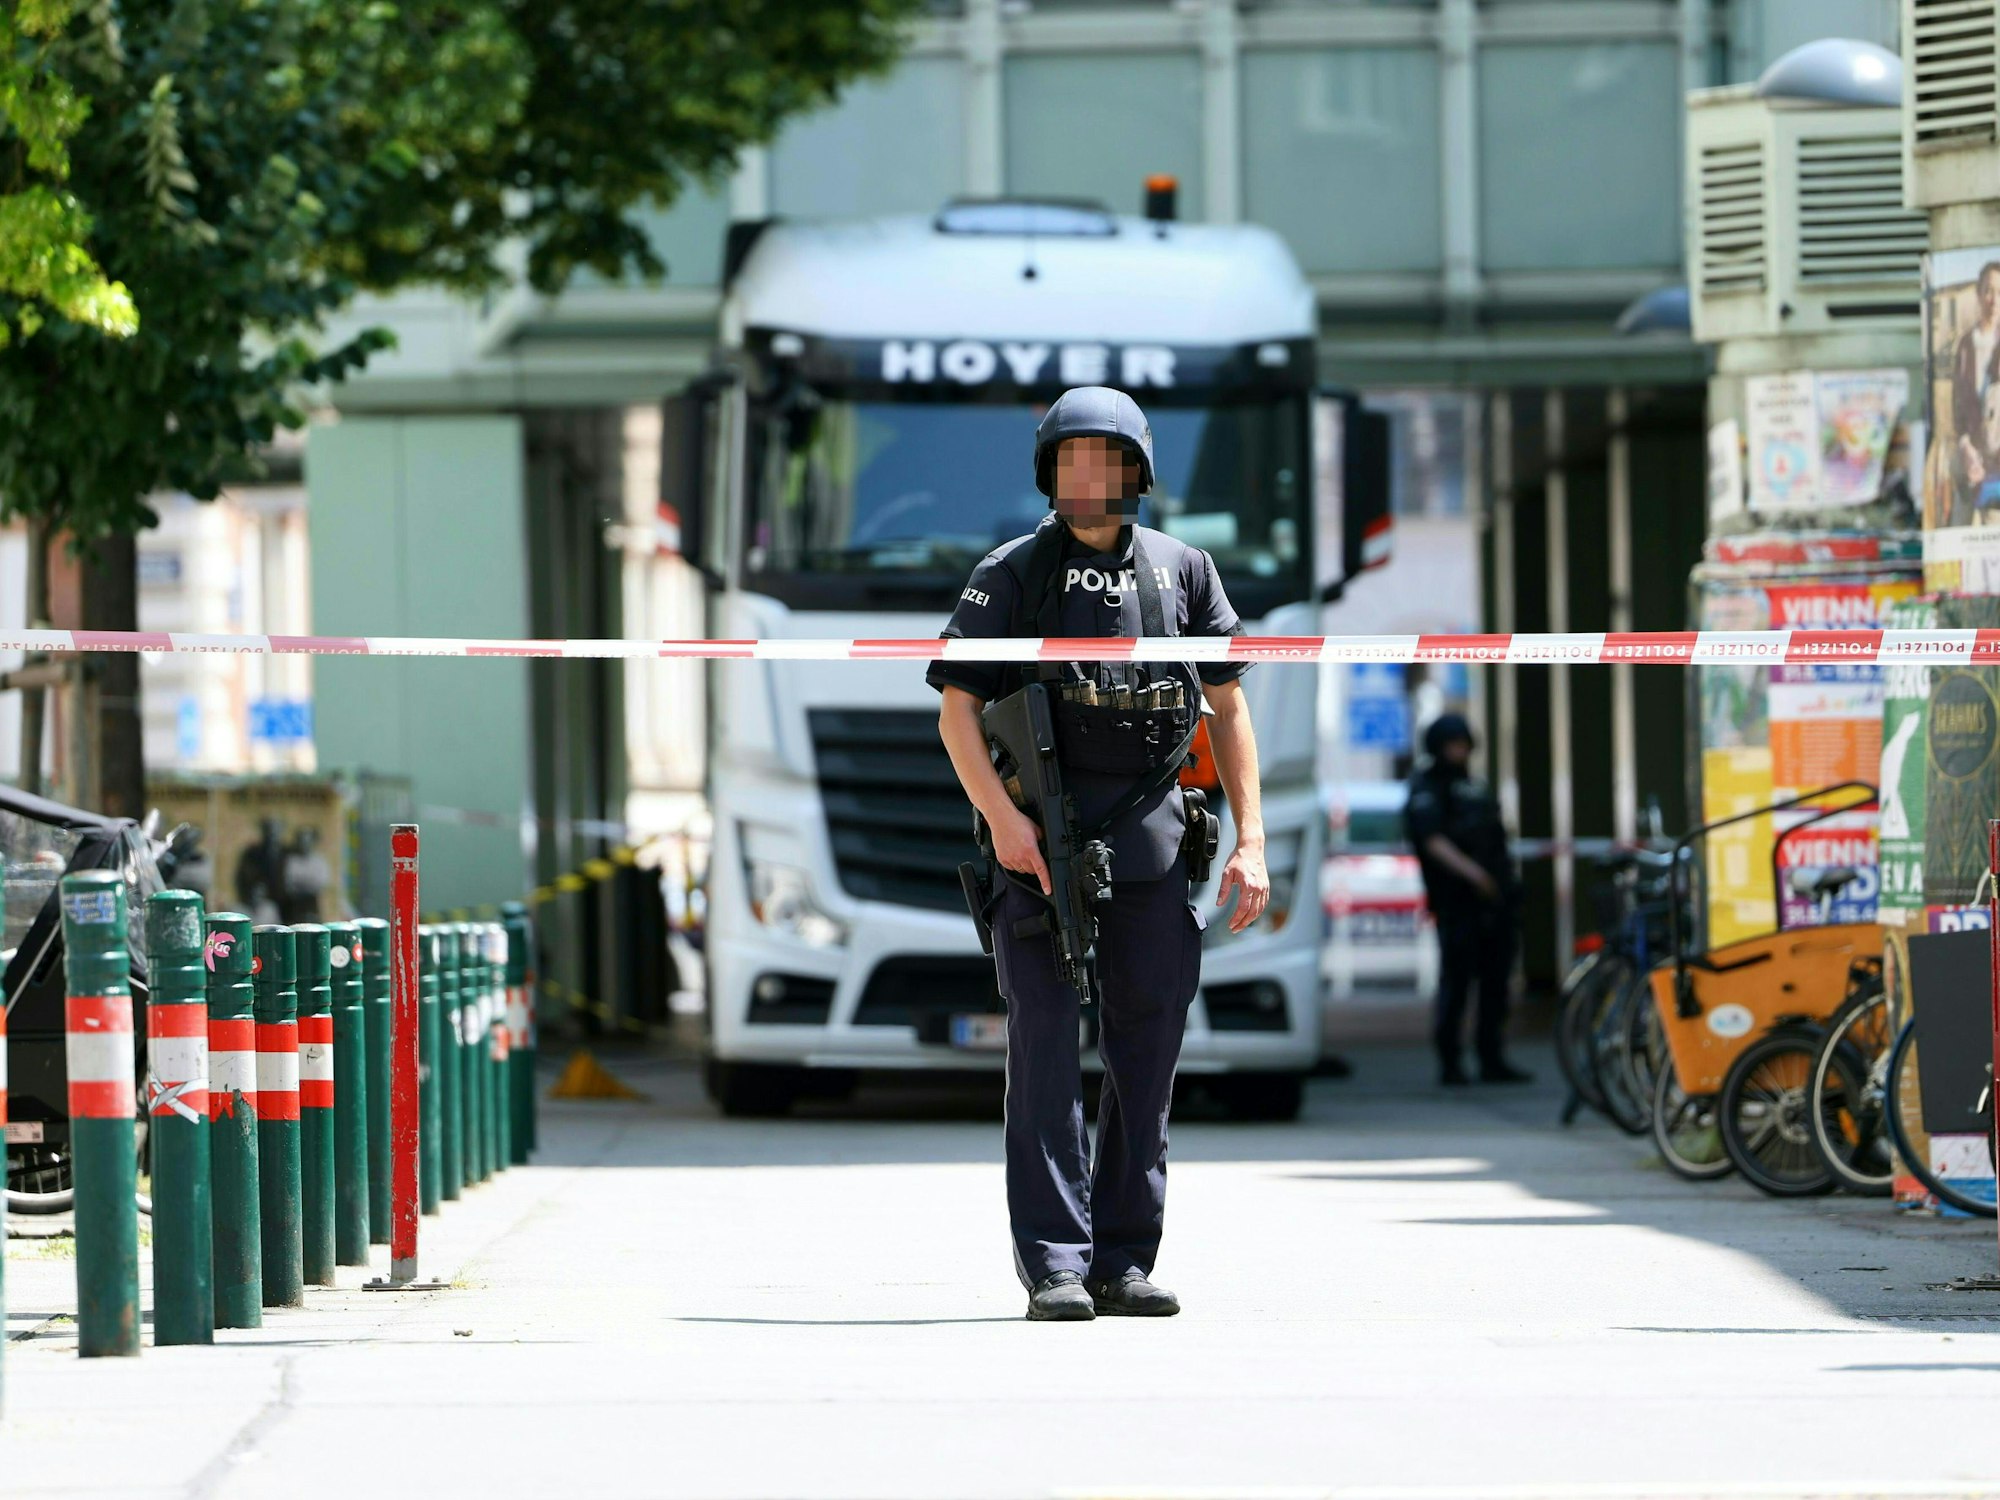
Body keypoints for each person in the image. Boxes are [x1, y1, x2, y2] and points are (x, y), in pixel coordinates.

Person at [929, 386, 1269, 1323]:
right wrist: (1002, 820)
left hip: (1155, 836)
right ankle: (1055, 1264)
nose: (1091, 477)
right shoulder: (1009, 574)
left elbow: (1229, 708)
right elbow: (958, 710)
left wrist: (1254, 842)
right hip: (1040, 834)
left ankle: (1124, 1257)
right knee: (1042, 1046)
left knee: (1147, 1047)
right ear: (1049, 472)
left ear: (1137, 472)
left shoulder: (1184, 571)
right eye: (1072, 459)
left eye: (1108, 460)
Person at [1403, 713, 1529, 1088]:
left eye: (1462, 743)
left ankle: (1492, 1057)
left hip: (1494, 901)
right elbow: (1432, 840)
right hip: (1457, 901)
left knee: (1496, 982)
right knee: (1456, 984)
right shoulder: (1426, 788)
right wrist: (1475, 875)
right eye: (1452, 744)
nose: (1458, 750)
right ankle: (1451, 1061)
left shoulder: (1474, 785)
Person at [1950, 262, 2000, 526]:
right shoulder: (1966, 346)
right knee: (1961, 527)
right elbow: (1956, 407)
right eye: (1989, 291)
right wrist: (1966, 447)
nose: (1994, 300)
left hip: (1997, 459)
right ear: (1979, 295)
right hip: (1971, 454)